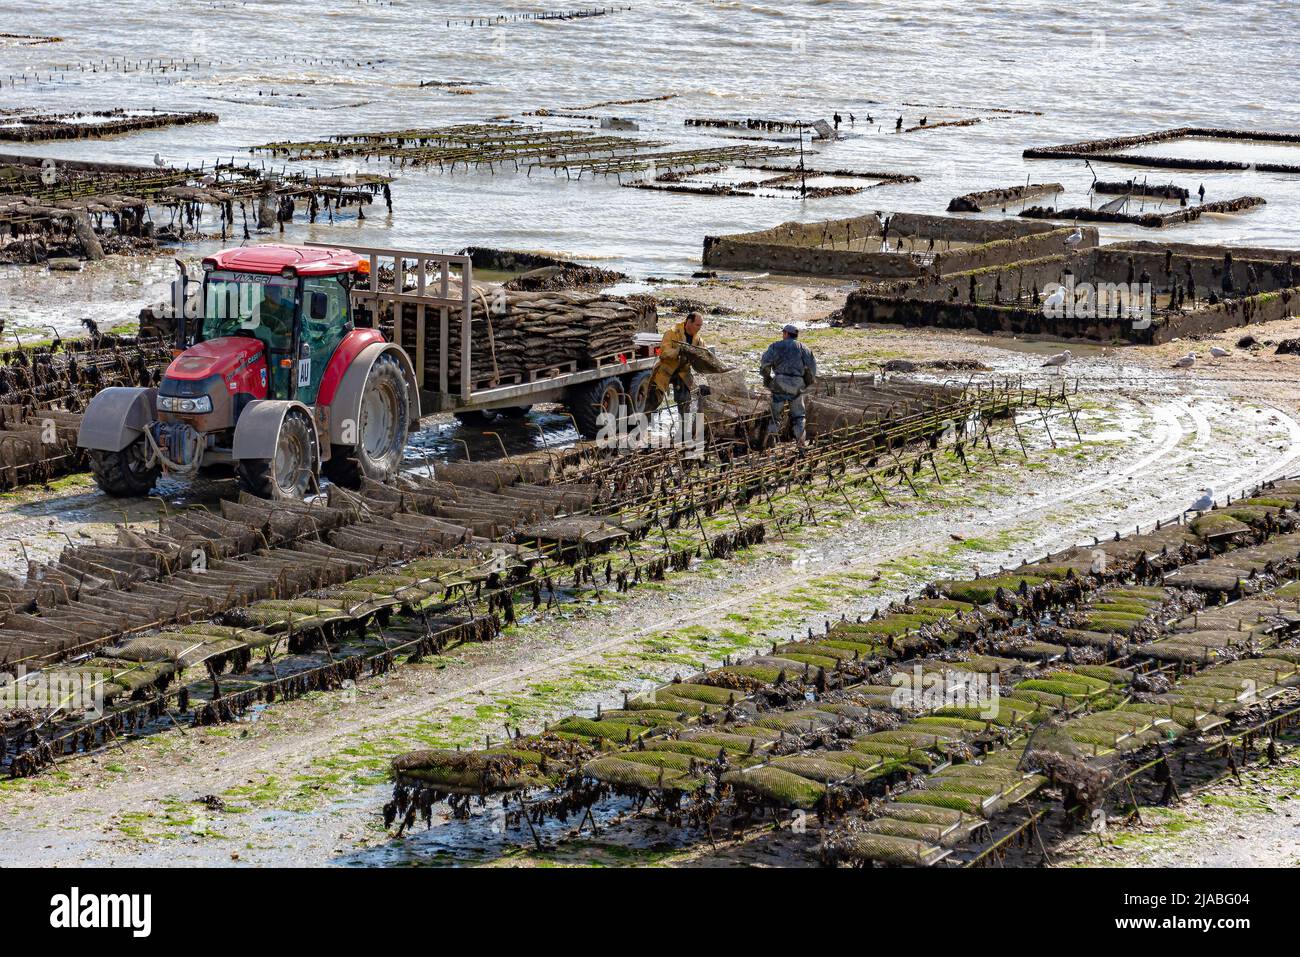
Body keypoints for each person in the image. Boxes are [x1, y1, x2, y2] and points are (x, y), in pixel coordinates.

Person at [760, 324, 817, 447]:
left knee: (775, 417)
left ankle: (770, 441)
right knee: (799, 417)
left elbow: (765, 365)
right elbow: (812, 369)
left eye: (783, 333)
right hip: (797, 385)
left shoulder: (775, 346)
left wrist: (768, 379)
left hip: (779, 384)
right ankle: (801, 442)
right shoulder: (804, 348)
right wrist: (806, 383)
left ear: (786, 333)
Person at [648, 310, 705, 416]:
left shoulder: (698, 340)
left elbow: (701, 356)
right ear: (689, 322)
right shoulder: (672, 333)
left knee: (685, 401)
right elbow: (664, 353)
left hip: (683, 372)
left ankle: (684, 430)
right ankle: (639, 426)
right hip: (666, 369)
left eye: (700, 325)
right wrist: (678, 351)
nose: (699, 328)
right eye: (697, 325)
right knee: (653, 399)